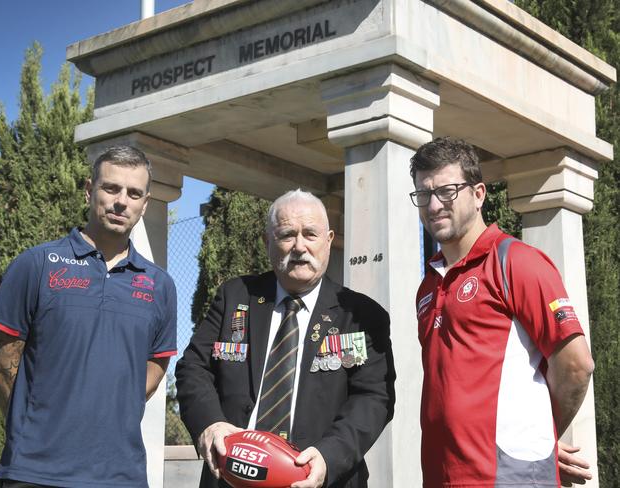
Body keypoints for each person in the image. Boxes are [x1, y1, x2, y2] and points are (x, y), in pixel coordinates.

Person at [176, 189, 396, 488]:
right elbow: (193, 368)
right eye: (287, 235)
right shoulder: (234, 297)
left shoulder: (360, 315)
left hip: (320, 479)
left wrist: (328, 457)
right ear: (268, 242)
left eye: (310, 234)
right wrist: (210, 424)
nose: (300, 247)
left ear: (329, 240)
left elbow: (374, 397)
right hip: (233, 476)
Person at [0, 145, 177, 488]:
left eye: (134, 193)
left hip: (121, 475)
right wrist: (38, 424)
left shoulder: (160, 285)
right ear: (90, 190)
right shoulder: (37, 264)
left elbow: (156, 364)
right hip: (34, 472)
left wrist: (111, 407)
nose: (122, 201)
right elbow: (0, 360)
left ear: (145, 204)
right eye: (111, 188)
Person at [409, 137, 595, 487]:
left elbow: (576, 364)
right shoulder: (428, 286)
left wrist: (541, 435)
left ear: (478, 194)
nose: (434, 205)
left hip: (509, 477)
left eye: (447, 191)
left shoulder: (517, 262)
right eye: (423, 194)